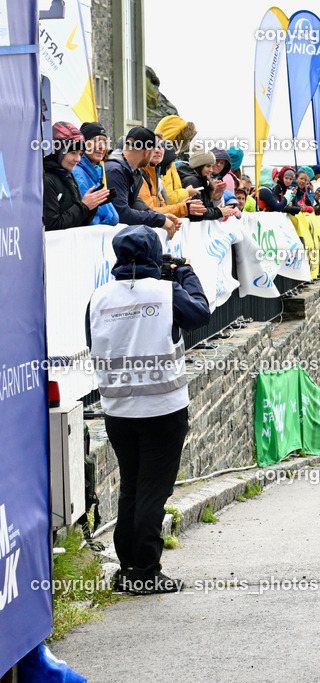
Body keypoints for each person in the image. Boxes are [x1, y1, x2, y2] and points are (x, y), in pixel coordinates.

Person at [86, 224, 211, 594]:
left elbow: (92, 341)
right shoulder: (167, 291)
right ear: (156, 256)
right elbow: (200, 313)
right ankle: (146, 570)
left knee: (131, 488)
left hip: (118, 409)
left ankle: (127, 569)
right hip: (163, 408)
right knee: (154, 491)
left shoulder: (98, 298)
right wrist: (185, 272)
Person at [105, 126, 180, 239]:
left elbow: (136, 204)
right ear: (146, 152)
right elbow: (122, 213)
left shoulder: (132, 171)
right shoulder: (115, 171)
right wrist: (160, 220)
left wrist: (161, 216)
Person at [44, 121, 109, 230]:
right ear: (57, 151)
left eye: (80, 154)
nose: (78, 159)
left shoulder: (67, 175)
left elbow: (79, 223)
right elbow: (53, 226)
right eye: (73, 153)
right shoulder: (47, 180)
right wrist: (84, 206)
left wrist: (92, 206)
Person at [72, 122, 119, 226]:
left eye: (104, 142)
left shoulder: (96, 171)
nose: (101, 147)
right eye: (96, 141)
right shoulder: (77, 173)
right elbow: (92, 220)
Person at [177, 150, 238, 221]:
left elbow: (205, 208)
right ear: (199, 166)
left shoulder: (202, 181)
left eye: (212, 166)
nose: (211, 170)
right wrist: (219, 212)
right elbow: (197, 212)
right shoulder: (192, 181)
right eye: (208, 166)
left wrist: (216, 197)